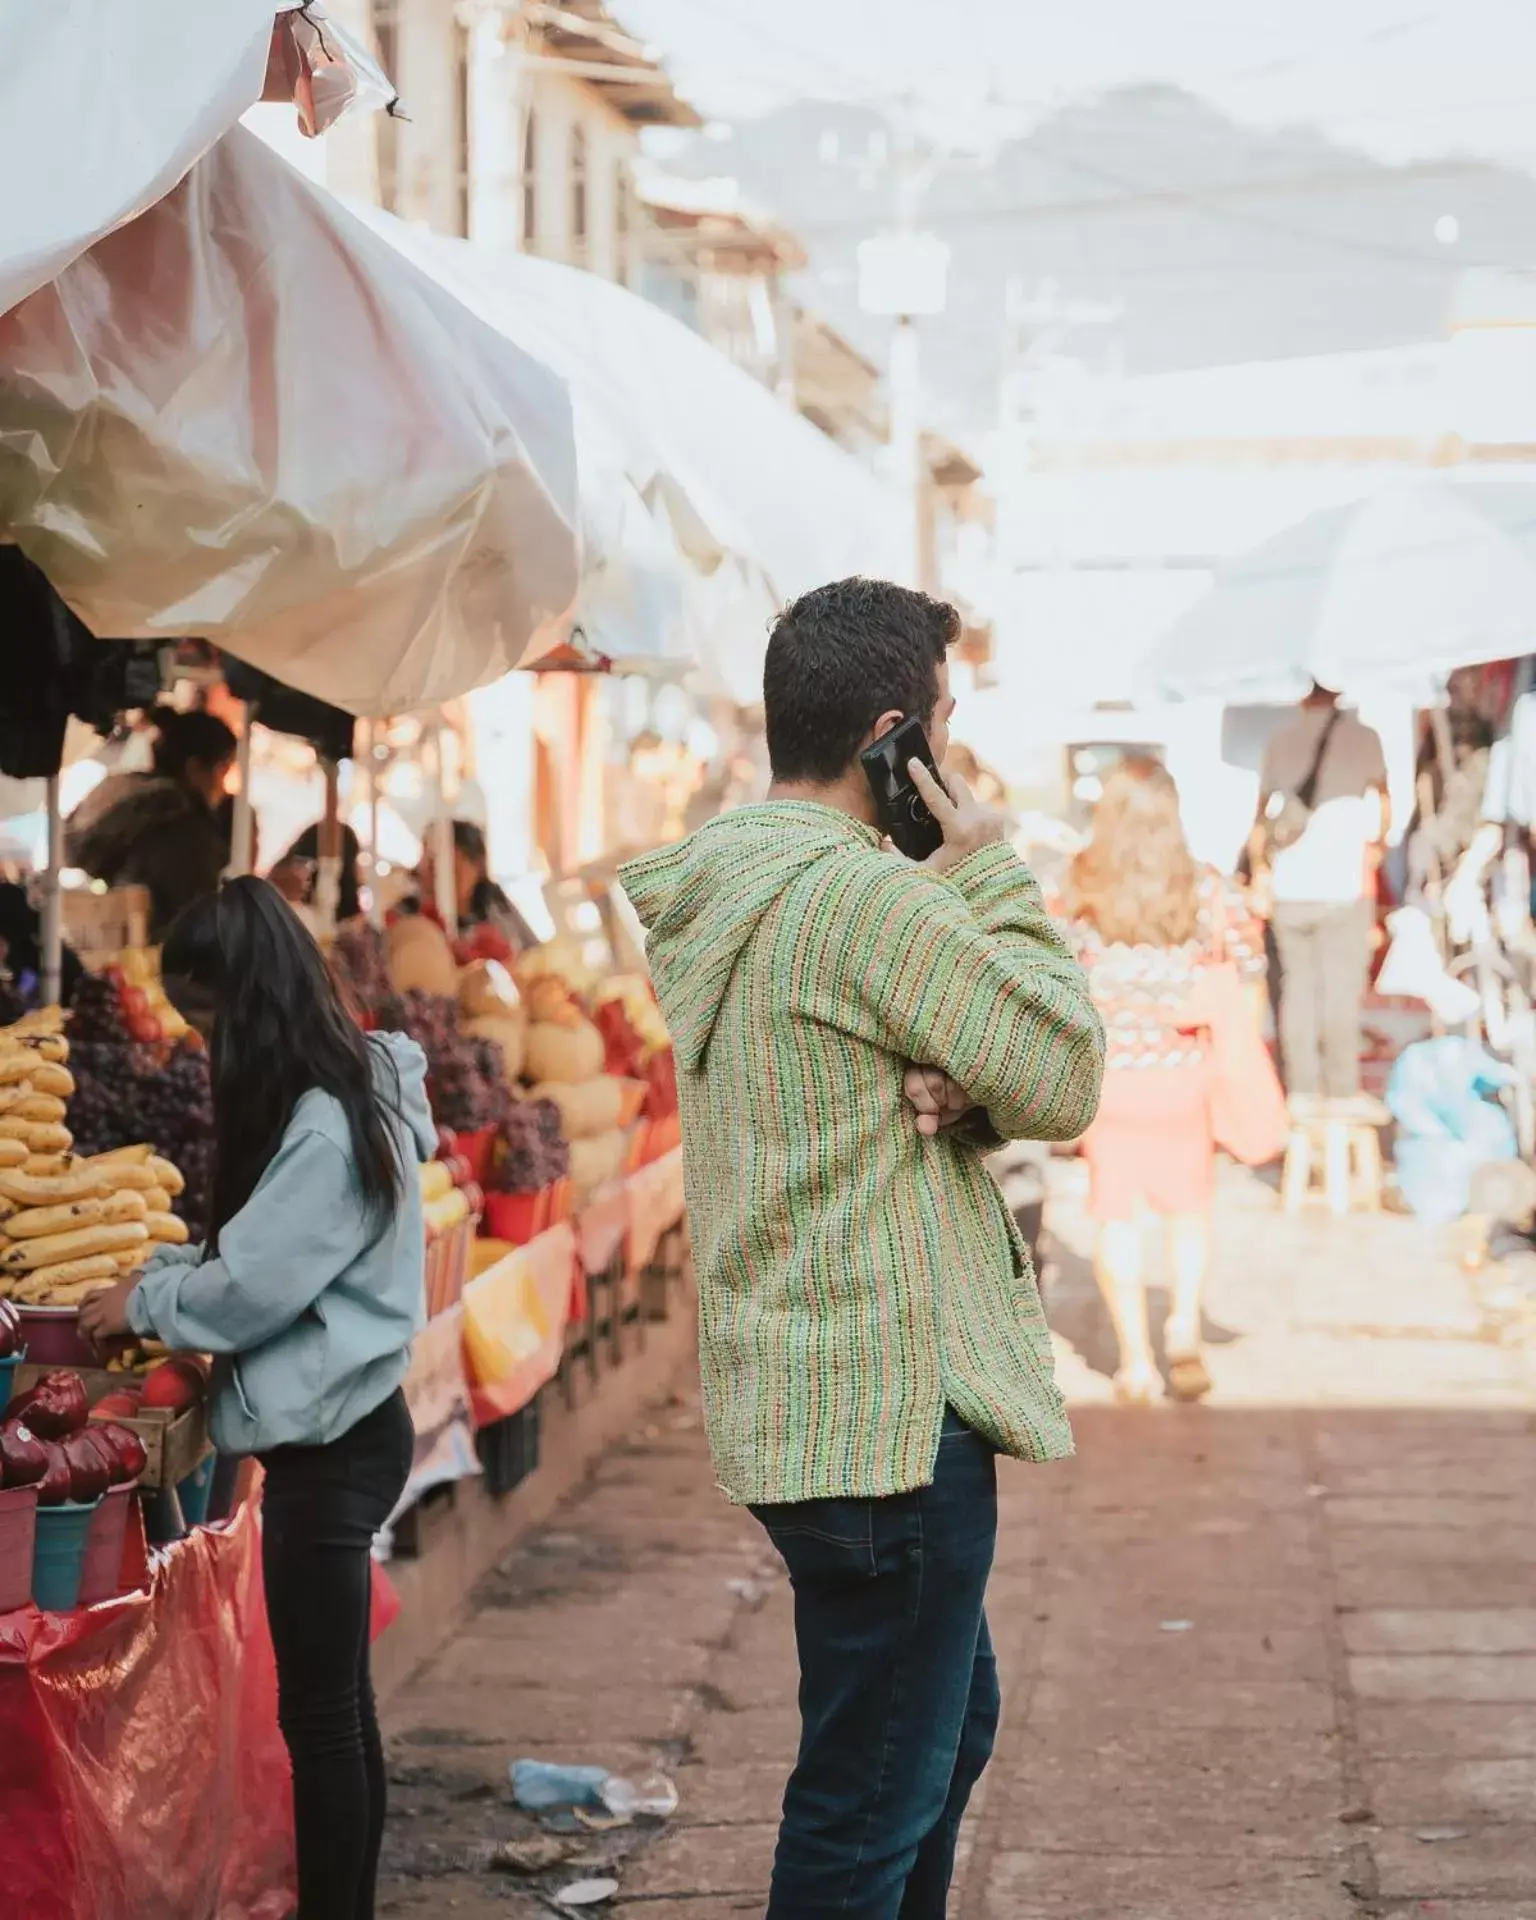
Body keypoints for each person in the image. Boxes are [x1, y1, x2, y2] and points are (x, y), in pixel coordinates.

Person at [619, 577, 1104, 1920]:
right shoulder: (867, 905)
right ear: (896, 738)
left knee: (935, 1744)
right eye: (945, 728)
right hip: (890, 1419)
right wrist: (990, 864)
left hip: (806, 1406)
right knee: (869, 1800)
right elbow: (1062, 1067)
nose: (954, 760)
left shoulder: (733, 880)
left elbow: (976, 1072)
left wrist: (966, 1085)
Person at [80, 877, 435, 1920]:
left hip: (336, 1449)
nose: (202, 1045)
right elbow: (263, 1252)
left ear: (248, 1004)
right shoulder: (351, 1088)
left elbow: (251, 1290)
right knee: (341, 1711)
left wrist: (149, 1295)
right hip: (352, 1433)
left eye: (206, 1019)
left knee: (323, 1720)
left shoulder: (327, 1126)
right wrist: (170, 1268)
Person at [1059, 757, 1265, 1404]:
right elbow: (1250, 965)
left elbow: (1051, 970)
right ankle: (1181, 1324)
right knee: (1189, 1212)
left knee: (1117, 1220)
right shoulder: (1207, 887)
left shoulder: (1076, 886)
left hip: (1111, 1082)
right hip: (1183, 1079)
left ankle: (1135, 1363)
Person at [1251, 683, 1388, 1109]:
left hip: (1291, 887)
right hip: (1342, 885)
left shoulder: (1280, 739)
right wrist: (1375, 848)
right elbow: (1385, 804)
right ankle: (1342, 1090)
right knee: (1339, 990)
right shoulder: (1364, 737)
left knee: (1298, 989)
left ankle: (1303, 1090)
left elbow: (1261, 816)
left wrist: (1261, 871)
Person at [65, 709, 238, 940]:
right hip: (156, 960)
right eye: (223, 771)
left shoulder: (124, 800)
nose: (223, 789)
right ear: (194, 768)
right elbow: (198, 920)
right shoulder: (184, 830)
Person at [414, 820, 536, 949]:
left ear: (478, 866)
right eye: (427, 866)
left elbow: (530, 953)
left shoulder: (497, 908)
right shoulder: (411, 915)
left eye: (452, 870)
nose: (432, 878)